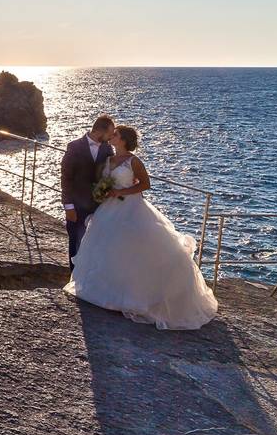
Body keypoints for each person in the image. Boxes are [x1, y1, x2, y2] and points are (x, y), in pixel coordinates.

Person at [64, 126, 218, 330]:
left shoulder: (133, 161)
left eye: (116, 135)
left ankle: (133, 296)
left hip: (131, 207)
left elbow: (145, 184)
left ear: (124, 140)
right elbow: (102, 181)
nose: (112, 136)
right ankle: (111, 293)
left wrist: (123, 191)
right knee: (110, 248)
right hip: (109, 208)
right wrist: (104, 191)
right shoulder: (109, 159)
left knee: (133, 249)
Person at [60, 115, 115, 271]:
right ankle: (74, 278)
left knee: (96, 243)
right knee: (76, 242)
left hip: (98, 206)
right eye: (110, 134)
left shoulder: (107, 148)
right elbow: (66, 177)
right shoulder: (74, 147)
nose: (111, 137)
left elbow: (109, 174)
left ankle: (90, 278)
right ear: (100, 131)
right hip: (76, 205)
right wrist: (68, 206)